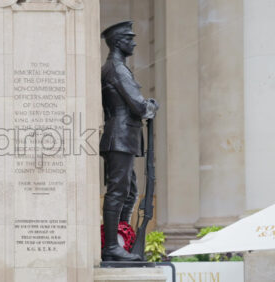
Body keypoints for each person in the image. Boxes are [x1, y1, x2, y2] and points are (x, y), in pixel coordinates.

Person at [100, 21, 159, 261]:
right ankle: (112, 245)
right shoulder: (117, 68)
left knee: (129, 191)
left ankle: (121, 238)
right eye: (129, 38)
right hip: (120, 136)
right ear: (117, 42)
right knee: (118, 191)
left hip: (125, 137)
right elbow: (138, 105)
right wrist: (152, 105)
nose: (134, 42)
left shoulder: (117, 67)